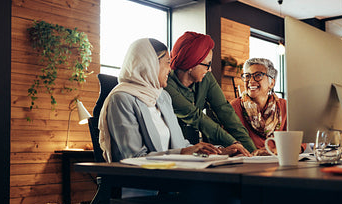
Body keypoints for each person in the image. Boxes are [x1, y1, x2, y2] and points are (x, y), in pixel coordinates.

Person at [98, 38, 242, 163]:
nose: (170, 68)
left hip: (173, 179)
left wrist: (219, 152)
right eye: (167, 62)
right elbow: (133, 158)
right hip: (142, 186)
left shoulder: (162, 97)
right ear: (150, 64)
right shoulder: (121, 99)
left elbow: (181, 144)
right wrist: (183, 152)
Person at [164, 31, 255, 156]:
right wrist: (233, 142)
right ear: (191, 64)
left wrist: (252, 151)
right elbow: (196, 116)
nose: (210, 69)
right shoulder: (166, 84)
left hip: (198, 149)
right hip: (171, 150)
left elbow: (225, 111)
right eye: (208, 64)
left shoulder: (206, 78)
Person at [230, 58, 290, 155]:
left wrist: (278, 151)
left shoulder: (285, 106)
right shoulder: (234, 107)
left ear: (272, 83)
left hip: (279, 161)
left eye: (258, 75)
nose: (251, 81)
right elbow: (229, 144)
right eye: (247, 76)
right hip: (247, 163)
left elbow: (300, 142)